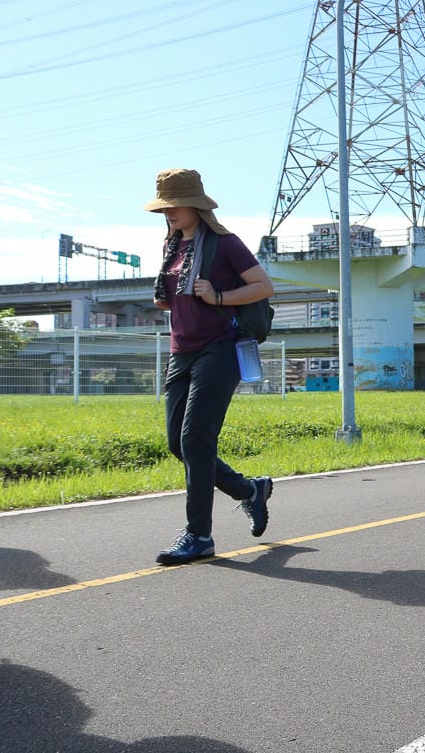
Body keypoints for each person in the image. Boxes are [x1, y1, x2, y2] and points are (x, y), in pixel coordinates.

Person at [146, 169, 276, 565]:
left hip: (219, 348)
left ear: (196, 205)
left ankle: (199, 535)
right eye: (163, 207)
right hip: (181, 351)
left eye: (175, 204)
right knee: (178, 443)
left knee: (196, 439)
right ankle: (249, 490)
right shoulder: (171, 244)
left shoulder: (224, 243)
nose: (168, 212)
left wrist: (219, 296)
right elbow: (176, 296)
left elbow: (263, 286)